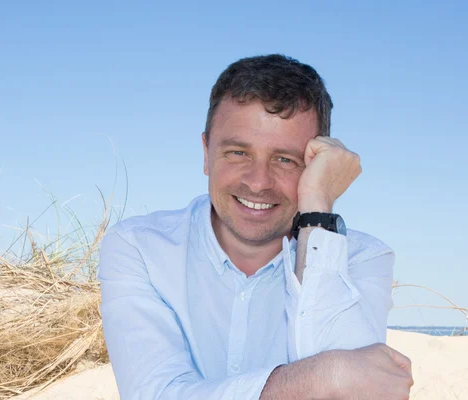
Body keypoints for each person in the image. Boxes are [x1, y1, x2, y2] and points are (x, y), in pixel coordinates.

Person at [98, 54, 413, 399]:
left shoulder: (363, 259)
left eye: (285, 159)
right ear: (206, 153)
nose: (259, 182)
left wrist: (318, 213)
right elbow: (156, 394)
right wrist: (321, 378)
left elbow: (356, 393)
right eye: (238, 153)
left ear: (315, 166)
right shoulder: (139, 248)